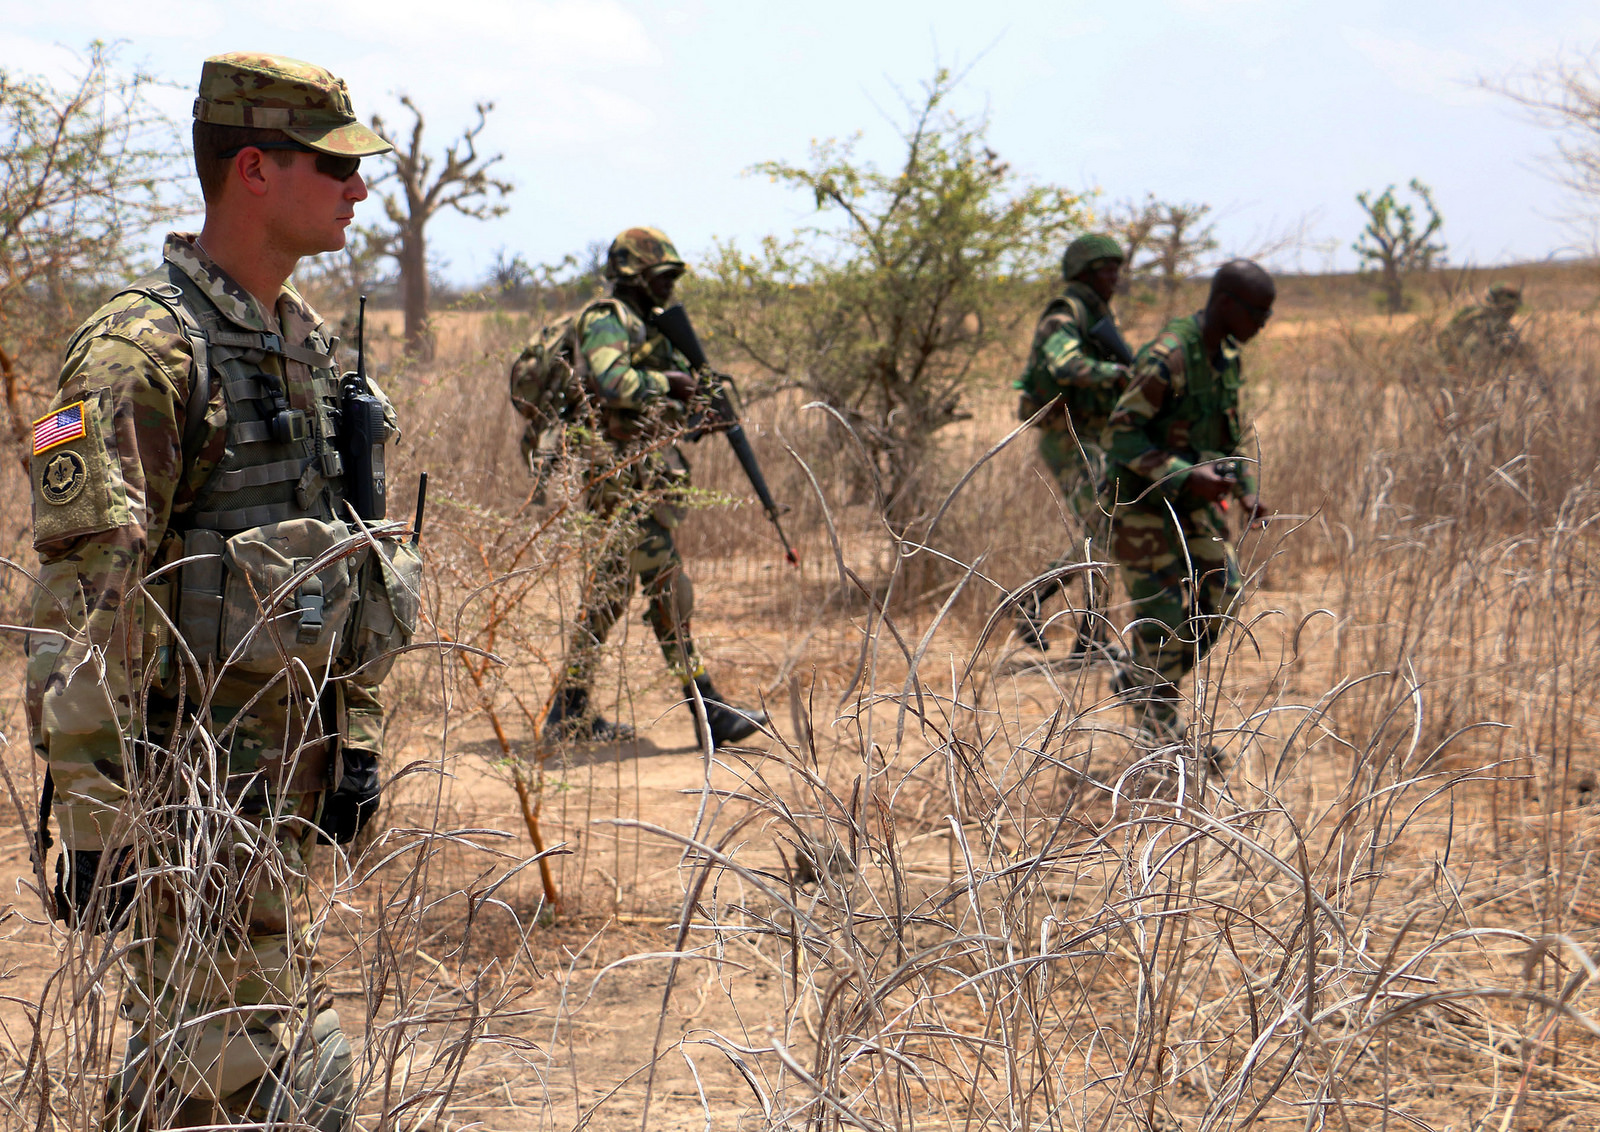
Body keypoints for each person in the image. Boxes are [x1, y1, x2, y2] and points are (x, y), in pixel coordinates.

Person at [24, 53, 415, 1130]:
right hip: (187, 802)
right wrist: (100, 822)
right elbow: (84, 603)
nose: (359, 188)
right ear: (253, 168)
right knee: (245, 1084)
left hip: (278, 795)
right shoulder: (142, 350)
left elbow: (345, 567)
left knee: (247, 1077)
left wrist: (358, 736)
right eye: (335, 165)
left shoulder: (301, 345)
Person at [541, 227, 769, 749]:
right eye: (662, 277)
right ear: (635, 278)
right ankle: (708, 709)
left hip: (638, 478)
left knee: (609, 596)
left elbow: (649, 404)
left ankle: (568, 714)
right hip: (617, 481)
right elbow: (612, 383)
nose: (670, 287)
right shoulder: (607, 319)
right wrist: (673, 383)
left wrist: (696, 414)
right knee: (668, 587)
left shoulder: (649, 328)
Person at [1100, 259, 1275, 752]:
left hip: (1193, 503)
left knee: (1226, 593)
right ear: (1225, 304)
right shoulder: (1170, 355)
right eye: (1258, 311)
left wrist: (1244, 489)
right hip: (1140, 501)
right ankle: (1162, 734)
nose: (1264, 322)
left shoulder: (1226, 357)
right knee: (1161, 617)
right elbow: (1119, 433)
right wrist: (1183, 472)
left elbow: (1229, 431)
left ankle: (1141, 681)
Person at [1013, 233, 1132, 657]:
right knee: (1104, 531)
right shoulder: (1065, 313)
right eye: (1107, 269)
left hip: (1092, 437)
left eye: (1118, 268)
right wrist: (1113, 372)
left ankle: (1074, 630)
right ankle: (1082, 637)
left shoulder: (1096, 312)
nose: (1115, 277)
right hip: (1066, 438)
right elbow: (1063, 363)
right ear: (1084, 273)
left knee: (1104, 532)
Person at [1438, 282, 1525, 368]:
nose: (1512, 312)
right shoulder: (1485, 320)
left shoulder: (1472, 312)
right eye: (1509, 308)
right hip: (1464, 365)